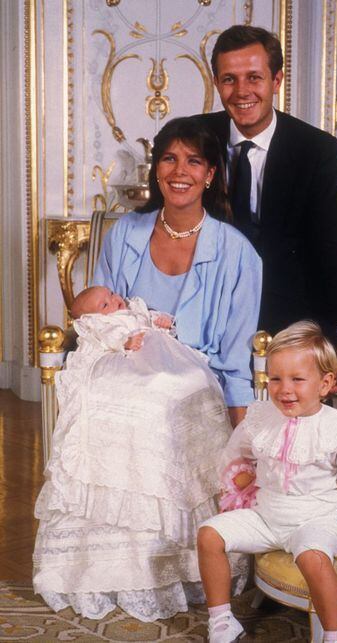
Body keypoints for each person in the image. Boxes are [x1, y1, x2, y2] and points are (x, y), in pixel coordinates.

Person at [33, 117, 262, 622]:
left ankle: (164, 564)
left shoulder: (236, 253)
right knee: (101, 397)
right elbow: (99, 315)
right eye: (169, 158)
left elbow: (235, 354)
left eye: (193, 161)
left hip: (194, 370)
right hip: (123, 358)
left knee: (160, 394)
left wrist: (241, 436)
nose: (179, 171)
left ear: (211, 174)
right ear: (156, 169)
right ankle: (97, 567)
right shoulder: (126, 234)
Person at [196, 25, 337, 523]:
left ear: (277, 79)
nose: (241, 91)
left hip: (304, 304)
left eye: (254, 77)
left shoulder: (315, 147)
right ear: (216, 83)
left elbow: (331, 248)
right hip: (221, 305)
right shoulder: (197, 137)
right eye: (228, 79)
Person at [197, 321, 337, 643]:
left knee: (314, 559)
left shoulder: (336, 430)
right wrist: (240, 475)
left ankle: (336, 636)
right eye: (276, 378)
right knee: (209, 534)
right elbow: (237, 451)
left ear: (325, 384)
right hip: (266, 517)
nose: (284, 389)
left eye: (297, 379)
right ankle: (222, 619)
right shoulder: (261, 417)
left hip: (315, 519)